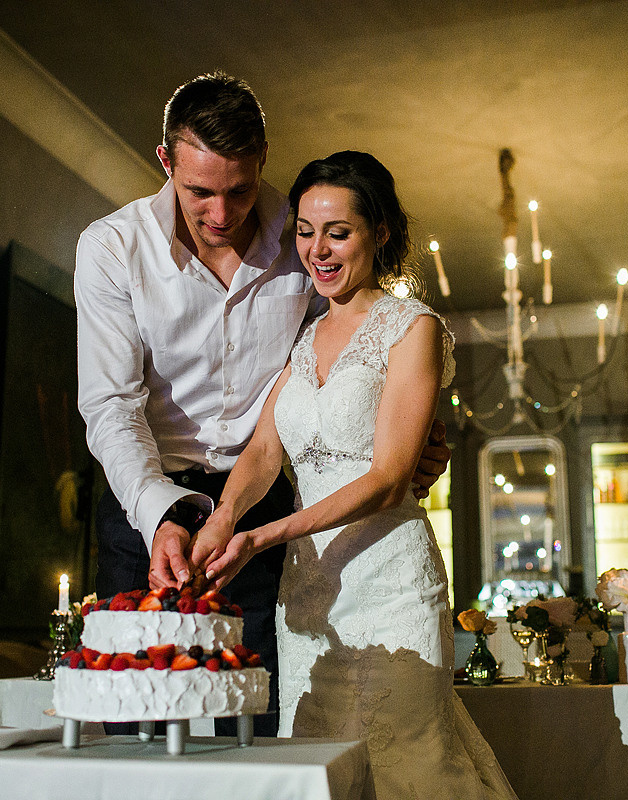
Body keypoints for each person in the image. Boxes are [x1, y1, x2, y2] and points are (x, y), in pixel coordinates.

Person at [74, 74, 448, 737]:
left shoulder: (304, 239)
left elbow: (359, 354)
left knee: (261, 728)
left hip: (265, 513)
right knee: (136, 730)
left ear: (263, 160)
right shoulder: (113, 248)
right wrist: (160, 516)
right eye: (200, 192)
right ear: (165, 161)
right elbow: (111, 406)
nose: (221, 214)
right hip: (147, 505)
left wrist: (418, 432)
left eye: (240, 190)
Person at [190, 151, 517, 799]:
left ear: (380, 232)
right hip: (311, 591)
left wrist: (263, 536)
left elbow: (391, 477)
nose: (318, 250)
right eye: (305, 232)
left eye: (337, 232)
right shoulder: (304, 337)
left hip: (391, 586)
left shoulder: (413, 329)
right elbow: (263, 451)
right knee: (319, 770)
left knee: (408, 768)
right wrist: (224, 518)